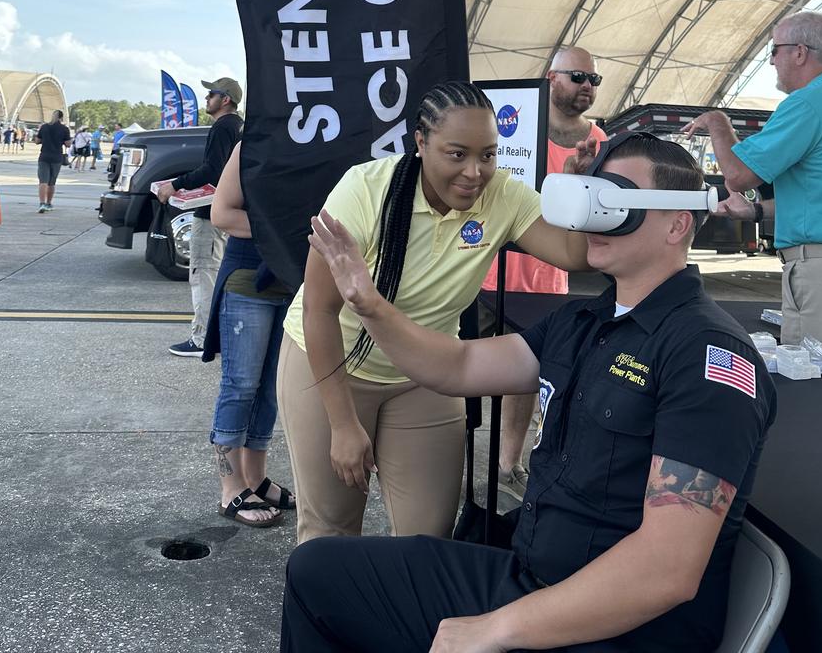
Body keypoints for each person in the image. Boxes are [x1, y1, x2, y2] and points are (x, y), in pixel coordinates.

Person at [282, 134, 775, 653]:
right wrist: (368, 303)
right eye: (596, 196)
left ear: (678, 223)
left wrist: (494, 629)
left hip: (617, 627)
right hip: (532, 580)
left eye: (618, 201)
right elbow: (460, 364)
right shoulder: (585, 322)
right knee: (319, 572)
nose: (595, 217)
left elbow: (666, 571)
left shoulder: (705, 355)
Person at [277, 81, 597, 546]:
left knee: (429, 536)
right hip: (332, 367)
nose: (475, 172)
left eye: (488, 155)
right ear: (421, 142)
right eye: (457, 154)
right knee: (331, 531)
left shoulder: (503, 195)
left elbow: (574, 254)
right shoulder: (364, 191)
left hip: (426, 373)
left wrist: (575, 188)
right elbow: (319, 311)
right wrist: (344, 424)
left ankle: (408, 620)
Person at [684, 10, 822, 386]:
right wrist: (754, 210)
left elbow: (738, 174)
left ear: (800, 52)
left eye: (775, 49)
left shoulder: (809, 103)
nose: (771, 60)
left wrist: (718, 124)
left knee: (817, 397)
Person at [481, 44, 607, 500]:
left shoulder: (599, 143)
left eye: (594, 80)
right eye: (579, 77)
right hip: (486, 270)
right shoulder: (508, 122)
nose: (587, 87)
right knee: (460, 371)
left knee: (526, 379)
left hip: (546, 278)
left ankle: (506, 463)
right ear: (551, 77)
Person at [200, 143, 296, 526]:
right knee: (240, 384)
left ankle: (255, 477)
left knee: (271, 387)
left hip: (292, 282)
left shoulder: (313, 142)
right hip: (247, 281)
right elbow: (221, 213)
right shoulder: (252, 144)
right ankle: (230, 487)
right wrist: (284, 230)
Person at [157, 77, 243, 358]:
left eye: (211, 94)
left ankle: (202, 339)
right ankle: (218, 335)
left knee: (203, 273)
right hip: (231, 210)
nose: (206, 99)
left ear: (225, 99)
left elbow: (212, 170)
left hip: (210, 214)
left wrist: (175, 184)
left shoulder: (222, 127)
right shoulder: (239, 126)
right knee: (218, 274)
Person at [34, 109, 71, 213]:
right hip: (56, 158)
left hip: (44, 156)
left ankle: (41, 204)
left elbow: (37, 140)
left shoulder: (44, 127)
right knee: (51, 182)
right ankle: (48, 203)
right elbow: (68, 144)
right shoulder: (64, 129)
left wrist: (45, 139)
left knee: (43, 181)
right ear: (61, 118)